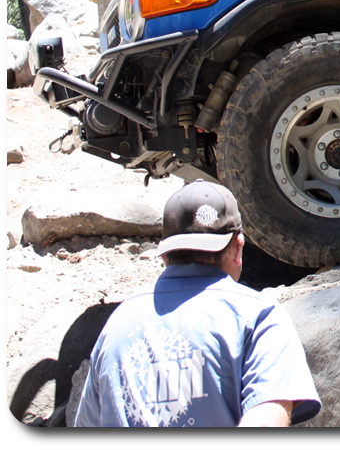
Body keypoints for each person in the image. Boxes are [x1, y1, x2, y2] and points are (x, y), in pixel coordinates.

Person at [74, 180, 322, 427]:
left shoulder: (119, 322)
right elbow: (267, 421)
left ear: (164, 253)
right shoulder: (259, 317)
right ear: (238, 247)